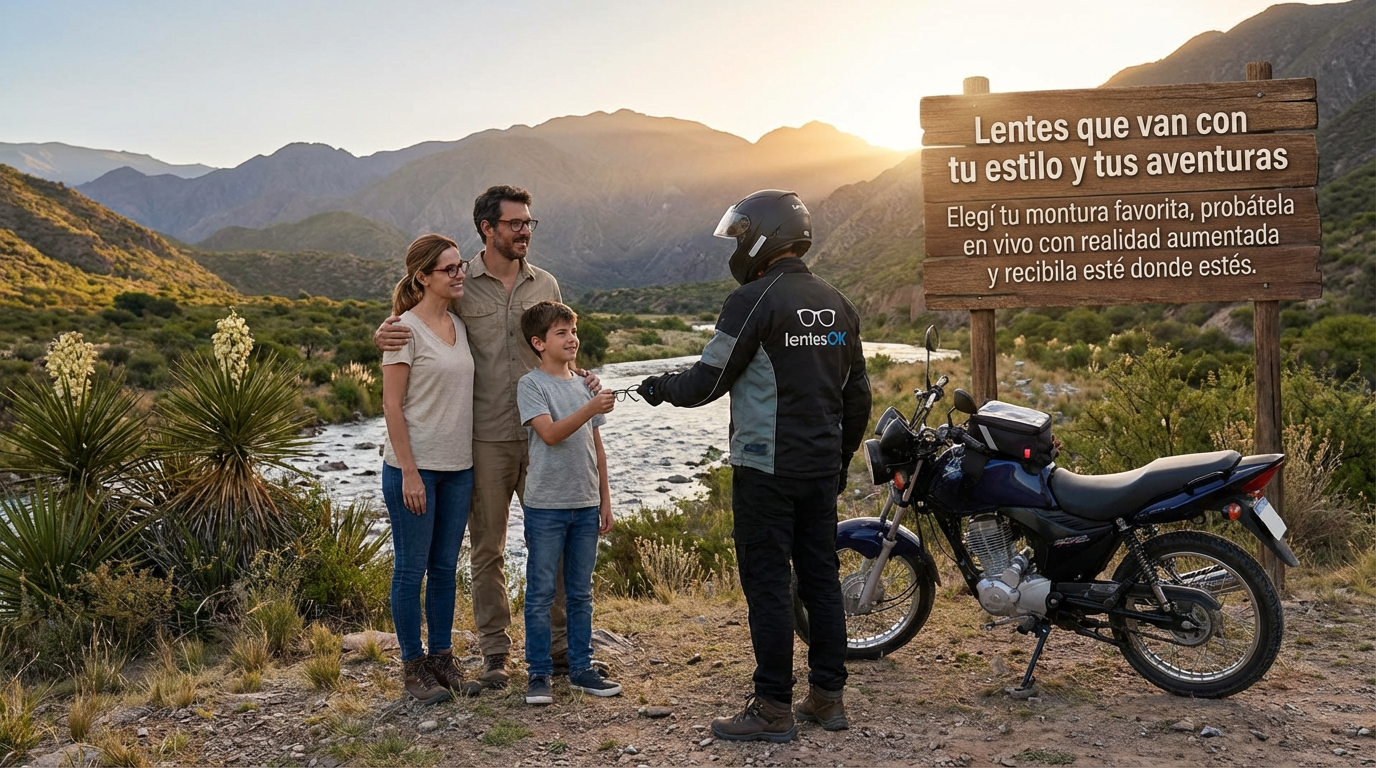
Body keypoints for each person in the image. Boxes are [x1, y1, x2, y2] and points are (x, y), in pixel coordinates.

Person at [636, 190, 871, 742]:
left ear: (763, 237)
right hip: (819, 469)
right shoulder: (837, 302)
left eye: (739, 236)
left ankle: (772, 708)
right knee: (820, 581)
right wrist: (839, 460)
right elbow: (858, 395)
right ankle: (827, 699)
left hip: (765, 470)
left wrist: (658, 387)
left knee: (768, 586)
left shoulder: (752, 299)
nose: (735, 248)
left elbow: (707, 382)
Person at [374, 185, 597, 694]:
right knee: (487, 550)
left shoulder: (547, 283)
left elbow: (558, 347)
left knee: (554, 544)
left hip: (544, 437)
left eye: (528, 223)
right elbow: (414, 326)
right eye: (514, 223)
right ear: (487, 229)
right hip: (484, 440)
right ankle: (495, 653)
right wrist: (382, 334)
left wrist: (581, 378)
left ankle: (560, 649)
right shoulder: (461, 285)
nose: (524, 231)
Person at [380, 234, 476, 704]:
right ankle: (413, 666)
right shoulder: (403, 331)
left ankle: (442, 660)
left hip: (459, 467)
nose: (459, 274)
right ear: (422, 277)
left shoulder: (458, 324)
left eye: (460, 266)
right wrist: (410, 473)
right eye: (449, 269)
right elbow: (392, 406)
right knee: (410, 569)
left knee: (444, 569)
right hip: (414, 470)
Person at [515, 300, 622, 705]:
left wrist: (605, 500)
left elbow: (598, 447)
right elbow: (550, 434)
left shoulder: (584, 383)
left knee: (580, 593)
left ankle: (581, 668)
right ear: (539, 343)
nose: (572, 338)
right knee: (541, 593)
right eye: (561, 333)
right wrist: (590, 406)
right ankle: (538, 673)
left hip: (586, 503)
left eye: (573, 331)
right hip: (545, 506)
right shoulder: (532, 385)